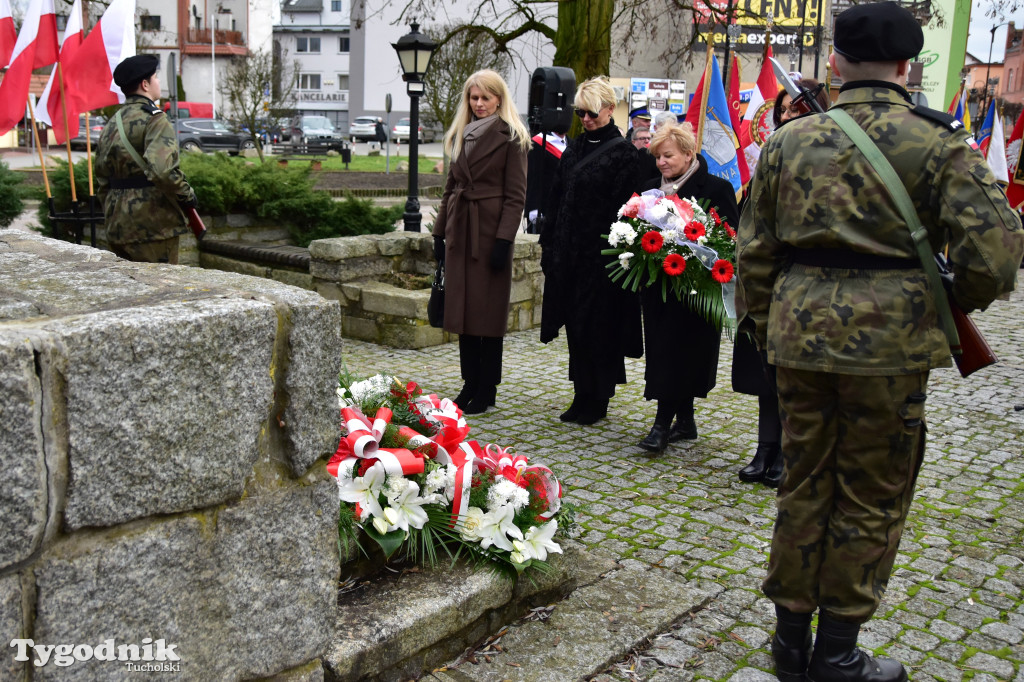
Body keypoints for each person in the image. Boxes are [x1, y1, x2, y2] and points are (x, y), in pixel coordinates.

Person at [737, 3, 1024, 681]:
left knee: (803, 482)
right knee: (869, 493)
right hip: (890, 349)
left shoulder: (788, 141)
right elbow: (997, 254)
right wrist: (952, 299)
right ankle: (837, 653)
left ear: (835, 63)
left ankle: (787, 644)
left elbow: (753, 252)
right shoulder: (938, 141)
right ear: (906, 67)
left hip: (799, 340)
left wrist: (770, 323)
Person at [733, 76, 831, 486]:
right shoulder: (772, 155)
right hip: (767, 280)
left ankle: (788, 455)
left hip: (806, 280)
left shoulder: (827, 157)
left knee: (794, 377)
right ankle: (765, 447)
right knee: (764, 374)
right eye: (783, 109)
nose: (788, 116)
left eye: (797, 109)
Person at [540, 76, 641, 425]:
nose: (586, 120)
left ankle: (599, 398)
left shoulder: (624, 154)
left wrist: (613, 253)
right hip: (569, 256)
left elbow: (627, 209)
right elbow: (556, 196)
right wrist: (548, 242)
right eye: (580, 113)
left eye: (592, 113)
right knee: (576, 329)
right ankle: (581, 392)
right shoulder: (575, 148)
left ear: (610, 109)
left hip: (602, 260)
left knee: (601, 330)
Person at [635, 123, 739, 452]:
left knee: (682, 357)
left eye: (668, 155)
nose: (661, 163)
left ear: (688, 153)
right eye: (657, 157)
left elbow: (729, 238)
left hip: (696, 292)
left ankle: (661, 426)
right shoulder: (650, 188)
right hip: (660, 290)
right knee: (664, 354)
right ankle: (687, 422)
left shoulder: (717, 188)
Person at [431, 69, 530, 415]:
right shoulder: (461, 134)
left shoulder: (512, 137)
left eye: (486, 97)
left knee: (486, 315)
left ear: (499, 99)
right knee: (462, 313)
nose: (479, 104)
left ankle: (487, 387)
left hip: (488, 234)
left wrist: (504, 240)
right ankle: (470, 382)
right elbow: (450, 188)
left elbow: (516, 197)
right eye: (474, 98)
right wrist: (439, 233)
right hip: (460, 231)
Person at [95, 54, 197, 264]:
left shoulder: (113, 122)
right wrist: (187, 195)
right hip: (152, 226)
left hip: (117, 224)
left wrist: (115, 210)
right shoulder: (155, 119)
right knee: (160, 292)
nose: (158, 82)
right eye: (156, 77)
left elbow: (102, 179)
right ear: (145, 84)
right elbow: (163, 170)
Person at [524, 124, 568, 234]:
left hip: (564, 207)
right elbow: (533, 176)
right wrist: (533, 207)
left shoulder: (571, 143)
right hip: (543, 207)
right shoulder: (538, 143)